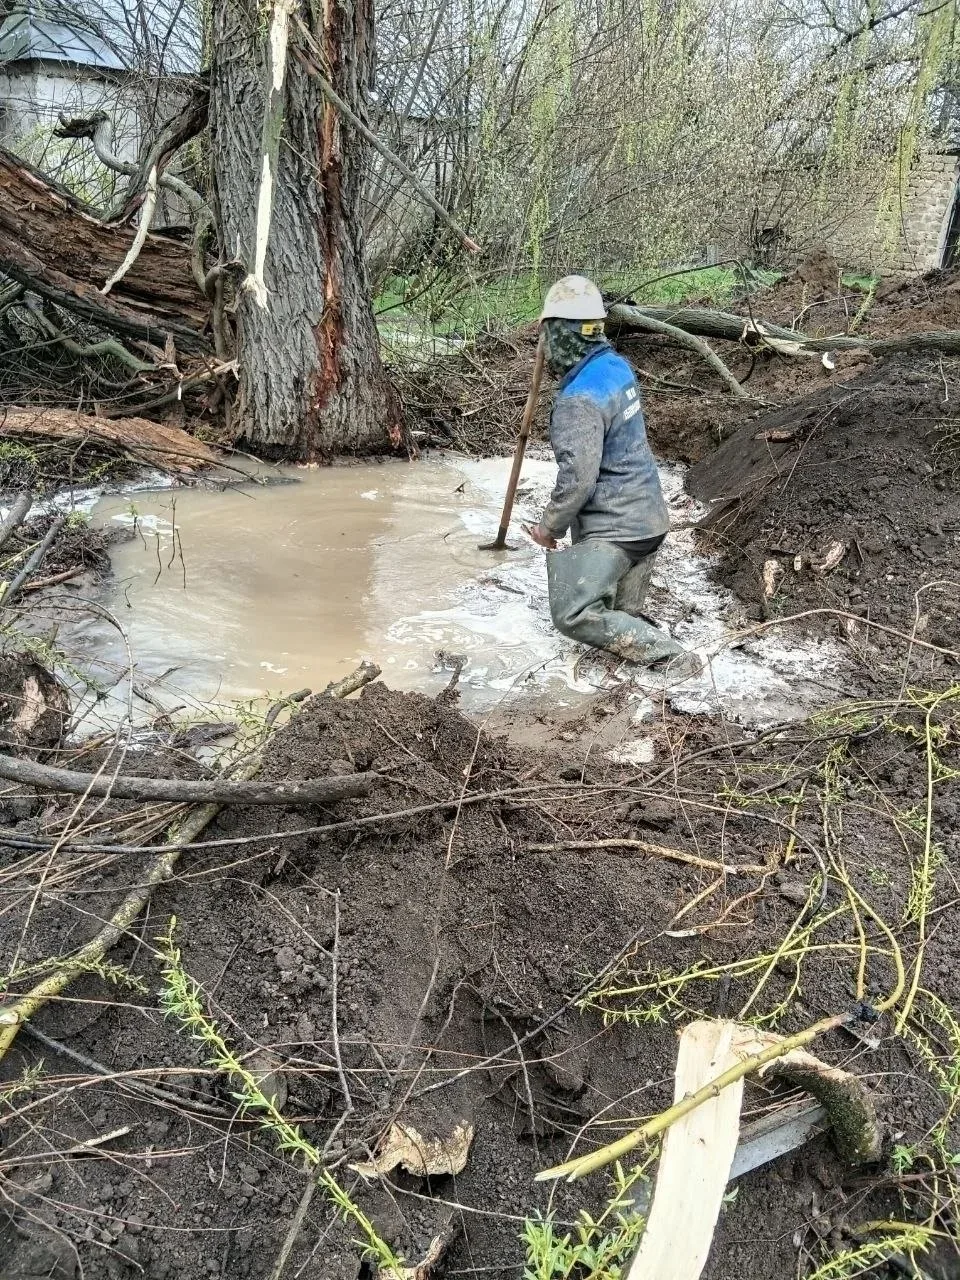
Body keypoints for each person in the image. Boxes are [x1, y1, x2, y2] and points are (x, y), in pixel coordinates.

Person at [525, 275, 701, 678]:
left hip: (620, 532)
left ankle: (674, 658)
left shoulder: (577, 402)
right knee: (621, 619)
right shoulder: (615, 367)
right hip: (650, 521)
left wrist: (549, 528)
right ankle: (630, 624)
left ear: (559, 336)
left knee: (572, 614)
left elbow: (579, 480)